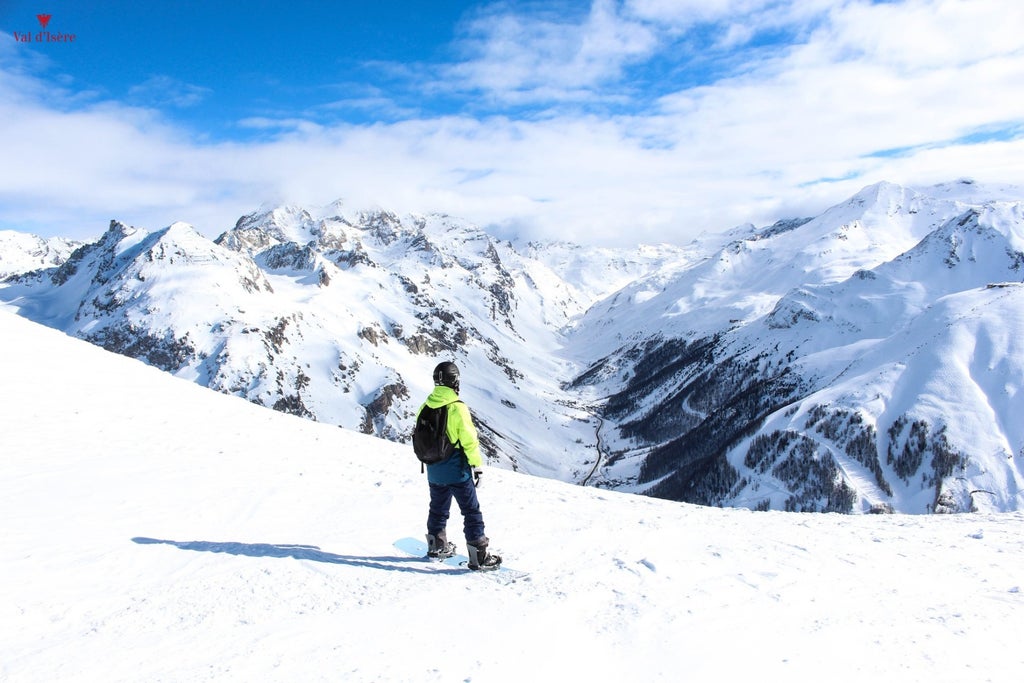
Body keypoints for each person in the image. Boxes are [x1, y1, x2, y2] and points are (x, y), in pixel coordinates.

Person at [418, 361, 501, 571]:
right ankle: (479, 557)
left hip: (434, 471)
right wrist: (477, 466)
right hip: (457, 470)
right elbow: (469, 439)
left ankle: (436, 545)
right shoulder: (456, 407)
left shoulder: (426, 405)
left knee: (437, 509)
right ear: (454, 380)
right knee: (471, 512)